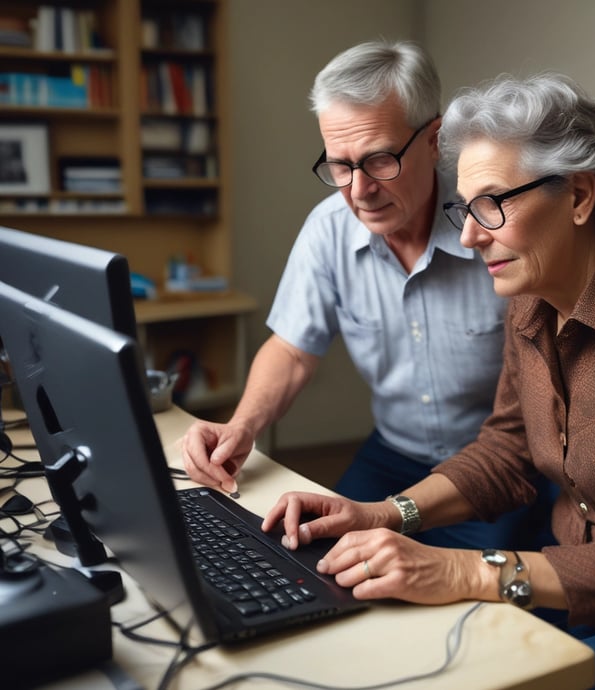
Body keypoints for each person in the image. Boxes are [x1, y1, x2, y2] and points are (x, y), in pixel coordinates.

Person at [261, 72, 595, 689]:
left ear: (579, 196)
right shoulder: (530, 300)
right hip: (592, 599)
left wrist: (466, 572)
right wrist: (381, 515)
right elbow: (507, 451)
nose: (471, 235)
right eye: (465, 209)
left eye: (492, 204)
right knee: (399, 653)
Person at [181, 40, 554, 550]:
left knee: (455, 599)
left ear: (434, 139)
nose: (358, 190)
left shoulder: (492, 224)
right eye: (340, 165)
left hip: (501, 459)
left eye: (379, 160)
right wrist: (241, 426)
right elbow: (292, 349)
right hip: (393, 455)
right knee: (313, 555)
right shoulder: (328, 229)